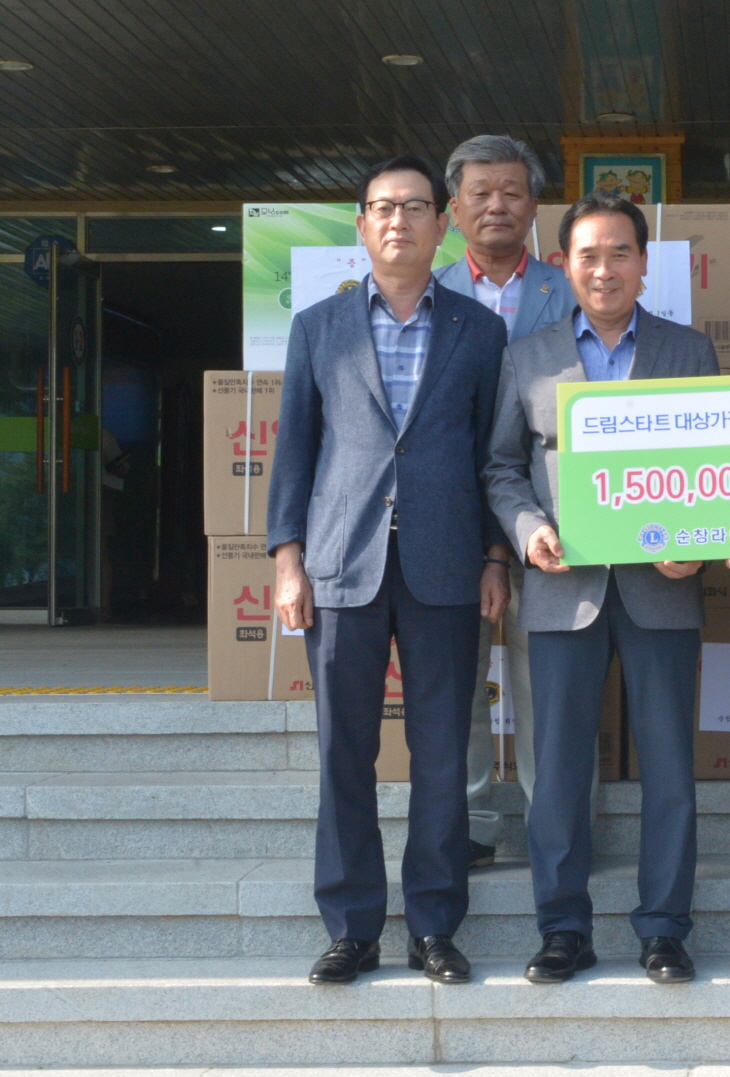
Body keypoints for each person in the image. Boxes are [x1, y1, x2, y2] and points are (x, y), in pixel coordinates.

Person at [267, 155, 510, 986]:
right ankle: (352, 927)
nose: (398, 220)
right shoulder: (319, 327)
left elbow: (492, 456)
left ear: (443, 224)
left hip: (446, 565)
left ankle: (435, 925)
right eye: (382, 207)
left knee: (441, 754)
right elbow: (295, 449)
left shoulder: (479, 330)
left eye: (414, 207)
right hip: (341, 564)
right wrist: (288, 558)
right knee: (345, 751)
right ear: (362, 224)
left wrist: (494, 555)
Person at [483, 191, 719, 986]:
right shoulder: (529, 355)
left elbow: (718, 467)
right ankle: (562, 928)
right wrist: (526, 530)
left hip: (663, 589)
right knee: (557, 772)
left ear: (645, 264)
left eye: (621, 252)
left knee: (670, 768)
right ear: (564, 265)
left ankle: (664, 930)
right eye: (588, 254)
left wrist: (699, 542)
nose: (605, 268)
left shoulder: (689, 351)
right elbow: (501, 467)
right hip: (562, 589)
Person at [435, 134, 572, 870]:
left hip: (552, 525)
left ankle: (555, 829)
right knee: (458, 685)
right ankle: (473, 825)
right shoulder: (426, 293)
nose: (497, 205)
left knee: (543, 685)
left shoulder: (569, 289)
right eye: (480, 192)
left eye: (512, 191)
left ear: (534, 205)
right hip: (451, 524)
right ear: (453, 209)